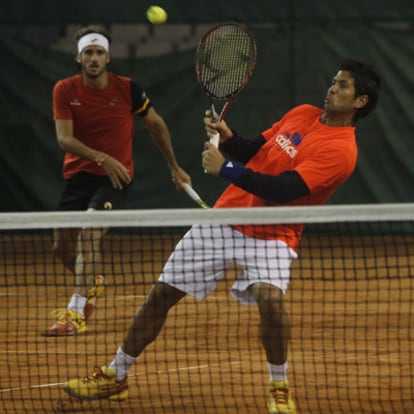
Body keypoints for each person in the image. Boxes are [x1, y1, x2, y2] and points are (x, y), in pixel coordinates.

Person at [62, 59, 381, 413]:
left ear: (360, 102)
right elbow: (257, 148)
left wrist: (225, 167)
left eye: (343, 86)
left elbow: (283, 189)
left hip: (274, 235)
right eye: (334, 81)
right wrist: (229, 138)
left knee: (271, 302)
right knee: (160, 295)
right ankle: (115, 375)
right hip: (225, 219)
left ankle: (279, 385)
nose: (332, 88)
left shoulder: (341, 151)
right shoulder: (302, 113)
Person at [47, 25, 190, 336]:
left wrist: (174, 167)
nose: (94, 58)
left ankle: (75, 311)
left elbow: (156, 124)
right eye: (88, 53)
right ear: (79, 58)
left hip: (116, 179)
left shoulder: (129, 90)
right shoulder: (64, 90)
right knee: (60, 247)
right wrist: (101, 157)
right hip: (77, 177)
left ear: (108, 58)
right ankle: (92, 281)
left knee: (89, 234)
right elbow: (64, 140)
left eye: (99, 53)